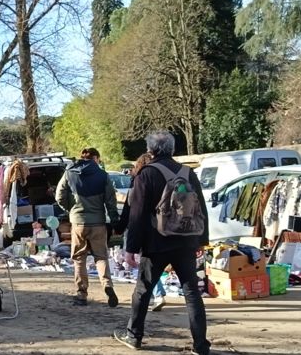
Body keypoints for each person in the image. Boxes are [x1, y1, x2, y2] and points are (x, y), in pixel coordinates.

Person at [113, 131, 215, 355]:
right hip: (187, 241)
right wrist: (202, 240)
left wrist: (130, 248)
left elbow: (137, 215)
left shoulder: (146, 174)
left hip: (156, 244)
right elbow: (201, 210)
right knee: (191, 294)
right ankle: (200, 345)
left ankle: (134, 336)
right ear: (172, 149)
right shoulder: (189, 173)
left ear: (150, 149)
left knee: (143, 291)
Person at [55, 147, 120, 307]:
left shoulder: (69, 173)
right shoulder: (103, 175)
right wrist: (115, 220)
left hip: (78, 223)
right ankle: (107, 286)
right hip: (98, 222)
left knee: (79, 258)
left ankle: (81, 293)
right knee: (101, 257)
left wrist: (71, 209)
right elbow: (111, 202)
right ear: (95, 158)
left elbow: (59, 196)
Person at [114, 152, 168, 311]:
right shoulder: (164, 179)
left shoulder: (138, 181)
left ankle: (157, 294)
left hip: (143, 231)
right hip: (163, 230)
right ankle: (154, 295)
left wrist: (119, 228)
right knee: (150, 267)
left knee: (145, 266)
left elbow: (129, 210)